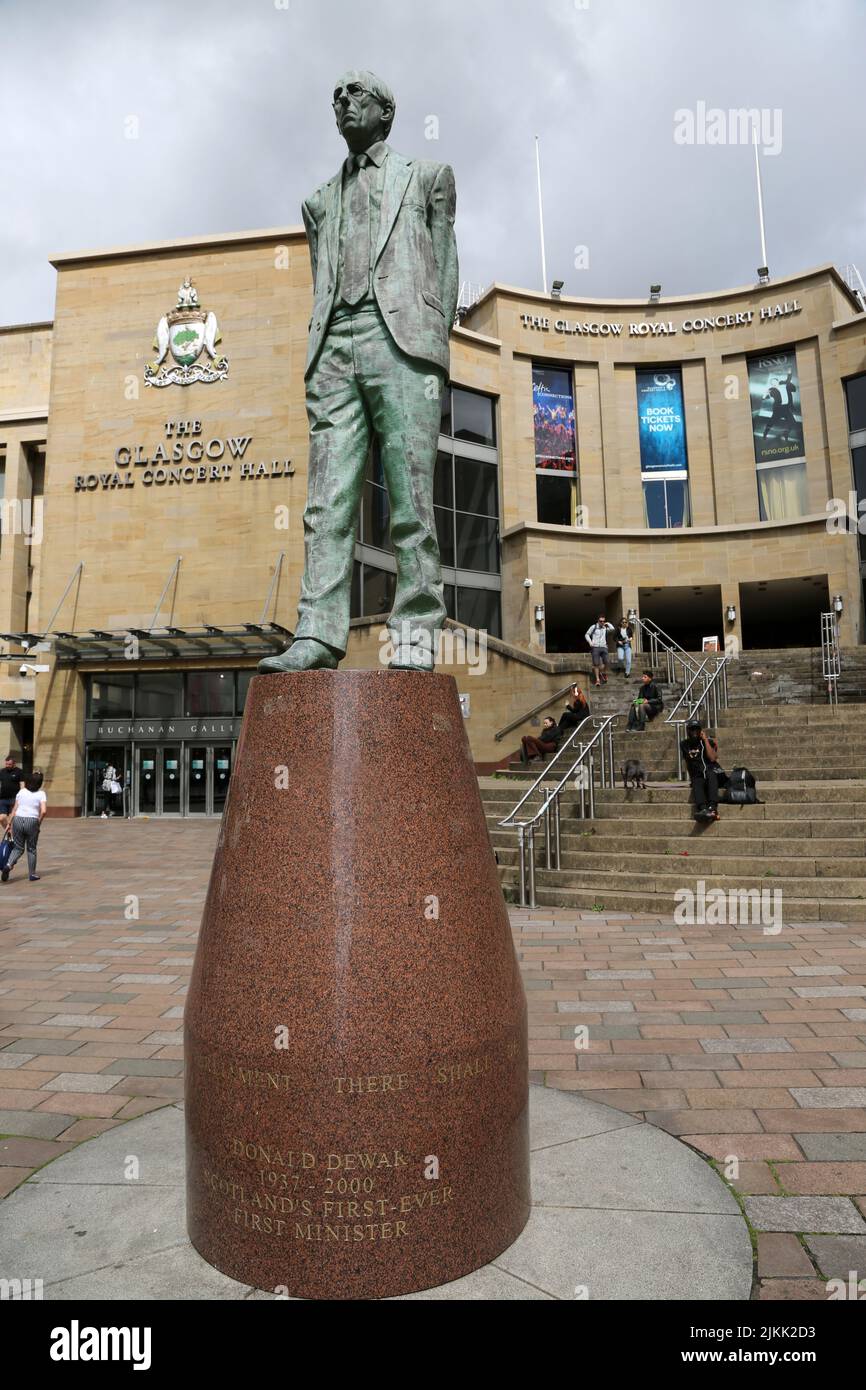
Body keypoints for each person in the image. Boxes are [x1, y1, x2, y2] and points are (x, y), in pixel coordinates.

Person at [258, 69, 458, 675]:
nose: (343, 101)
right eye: (336, 95)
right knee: (326, 501)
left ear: (386, 112)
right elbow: (323, 281)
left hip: (400, 343)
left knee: (411, 494)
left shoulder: (426, 178)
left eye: (356, 94)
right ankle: (317, 632)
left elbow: (445, 269)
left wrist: (433, 343)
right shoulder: (318, 202)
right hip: (334, 348)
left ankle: (417, 633)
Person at [1, 771, 47, 882]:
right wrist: (38, 823)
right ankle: (32, 874)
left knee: (18, 848)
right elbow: (44, 811)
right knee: (31, 849)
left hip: (17, 819)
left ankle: (8, 865)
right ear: (40, 783)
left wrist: (9, 824)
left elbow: (15, 809)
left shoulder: (22, 792)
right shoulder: (41, 794)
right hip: (32, 821)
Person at [680, 718, 721, 821]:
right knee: (696, 780)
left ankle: (712, 808)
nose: (694, 732)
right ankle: (702, 809)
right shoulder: (684, 744)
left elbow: (712, 758)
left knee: (711, 775)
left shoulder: (708, 742)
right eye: (691, 730)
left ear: (700, 731)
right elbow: (688, 762)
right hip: (697, 774)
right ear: (688, 731)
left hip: (710, 771)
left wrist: (705, 740)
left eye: (696, 729)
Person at [585, 614, 615, 687]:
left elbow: (613, 629)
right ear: (598, 621)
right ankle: (597, 680)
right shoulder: (594, 627)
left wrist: (608, 623)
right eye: (601, 621)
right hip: (595, 647)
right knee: (596, 664)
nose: (602, 622)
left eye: (603, 621)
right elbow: (587, 634)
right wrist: (590, 642)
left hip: (604, 647)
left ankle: (603, 673)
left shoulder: (605, 628)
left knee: (607, 662)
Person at [0, 754, 24, 833]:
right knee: (1, 818)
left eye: (9, 764)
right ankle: (9, 832)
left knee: (11, 819)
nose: (7, 766)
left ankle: (10, 835)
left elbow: (22, 785)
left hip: (14, 799)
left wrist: (22, 796)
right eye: (6, 764)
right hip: (3, 798)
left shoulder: (19, 772)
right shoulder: (2, 771)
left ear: (14, 764)